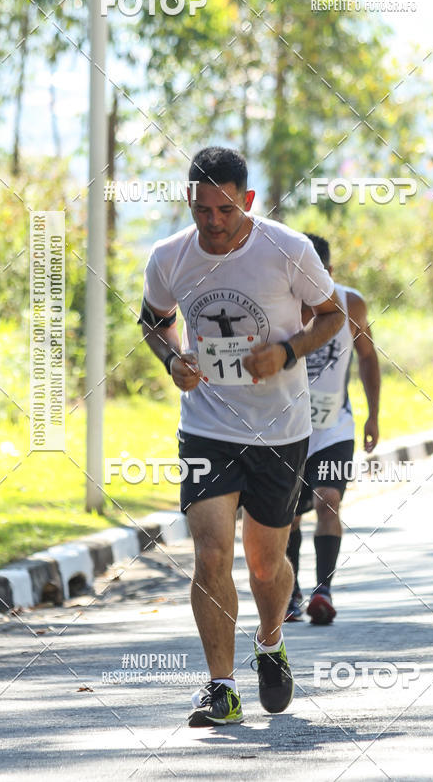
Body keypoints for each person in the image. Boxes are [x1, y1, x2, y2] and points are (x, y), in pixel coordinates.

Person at [139, 146, 345, 726]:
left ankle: (272, 640)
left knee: (263, 564)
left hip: (280, 428)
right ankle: (221, 687)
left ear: (247, 201)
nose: (213, 222)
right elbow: (154, 321)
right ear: (189, 201)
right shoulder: (168, 257)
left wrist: (285, 350)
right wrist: (171, 358)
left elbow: (332, 316)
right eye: (202, 209)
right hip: (206, 426)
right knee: (209, 555)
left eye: (225, 210)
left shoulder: (288, 249)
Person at [285, 233, 380, 624]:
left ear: (330, 272)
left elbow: (368, 356)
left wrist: (374, 414)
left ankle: (323, 590)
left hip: (333, 427)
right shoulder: (279, 302)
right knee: (287, 514)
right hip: (285, 427)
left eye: (319, 273)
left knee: (328, 500)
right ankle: (289, 594)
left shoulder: (349, 303)